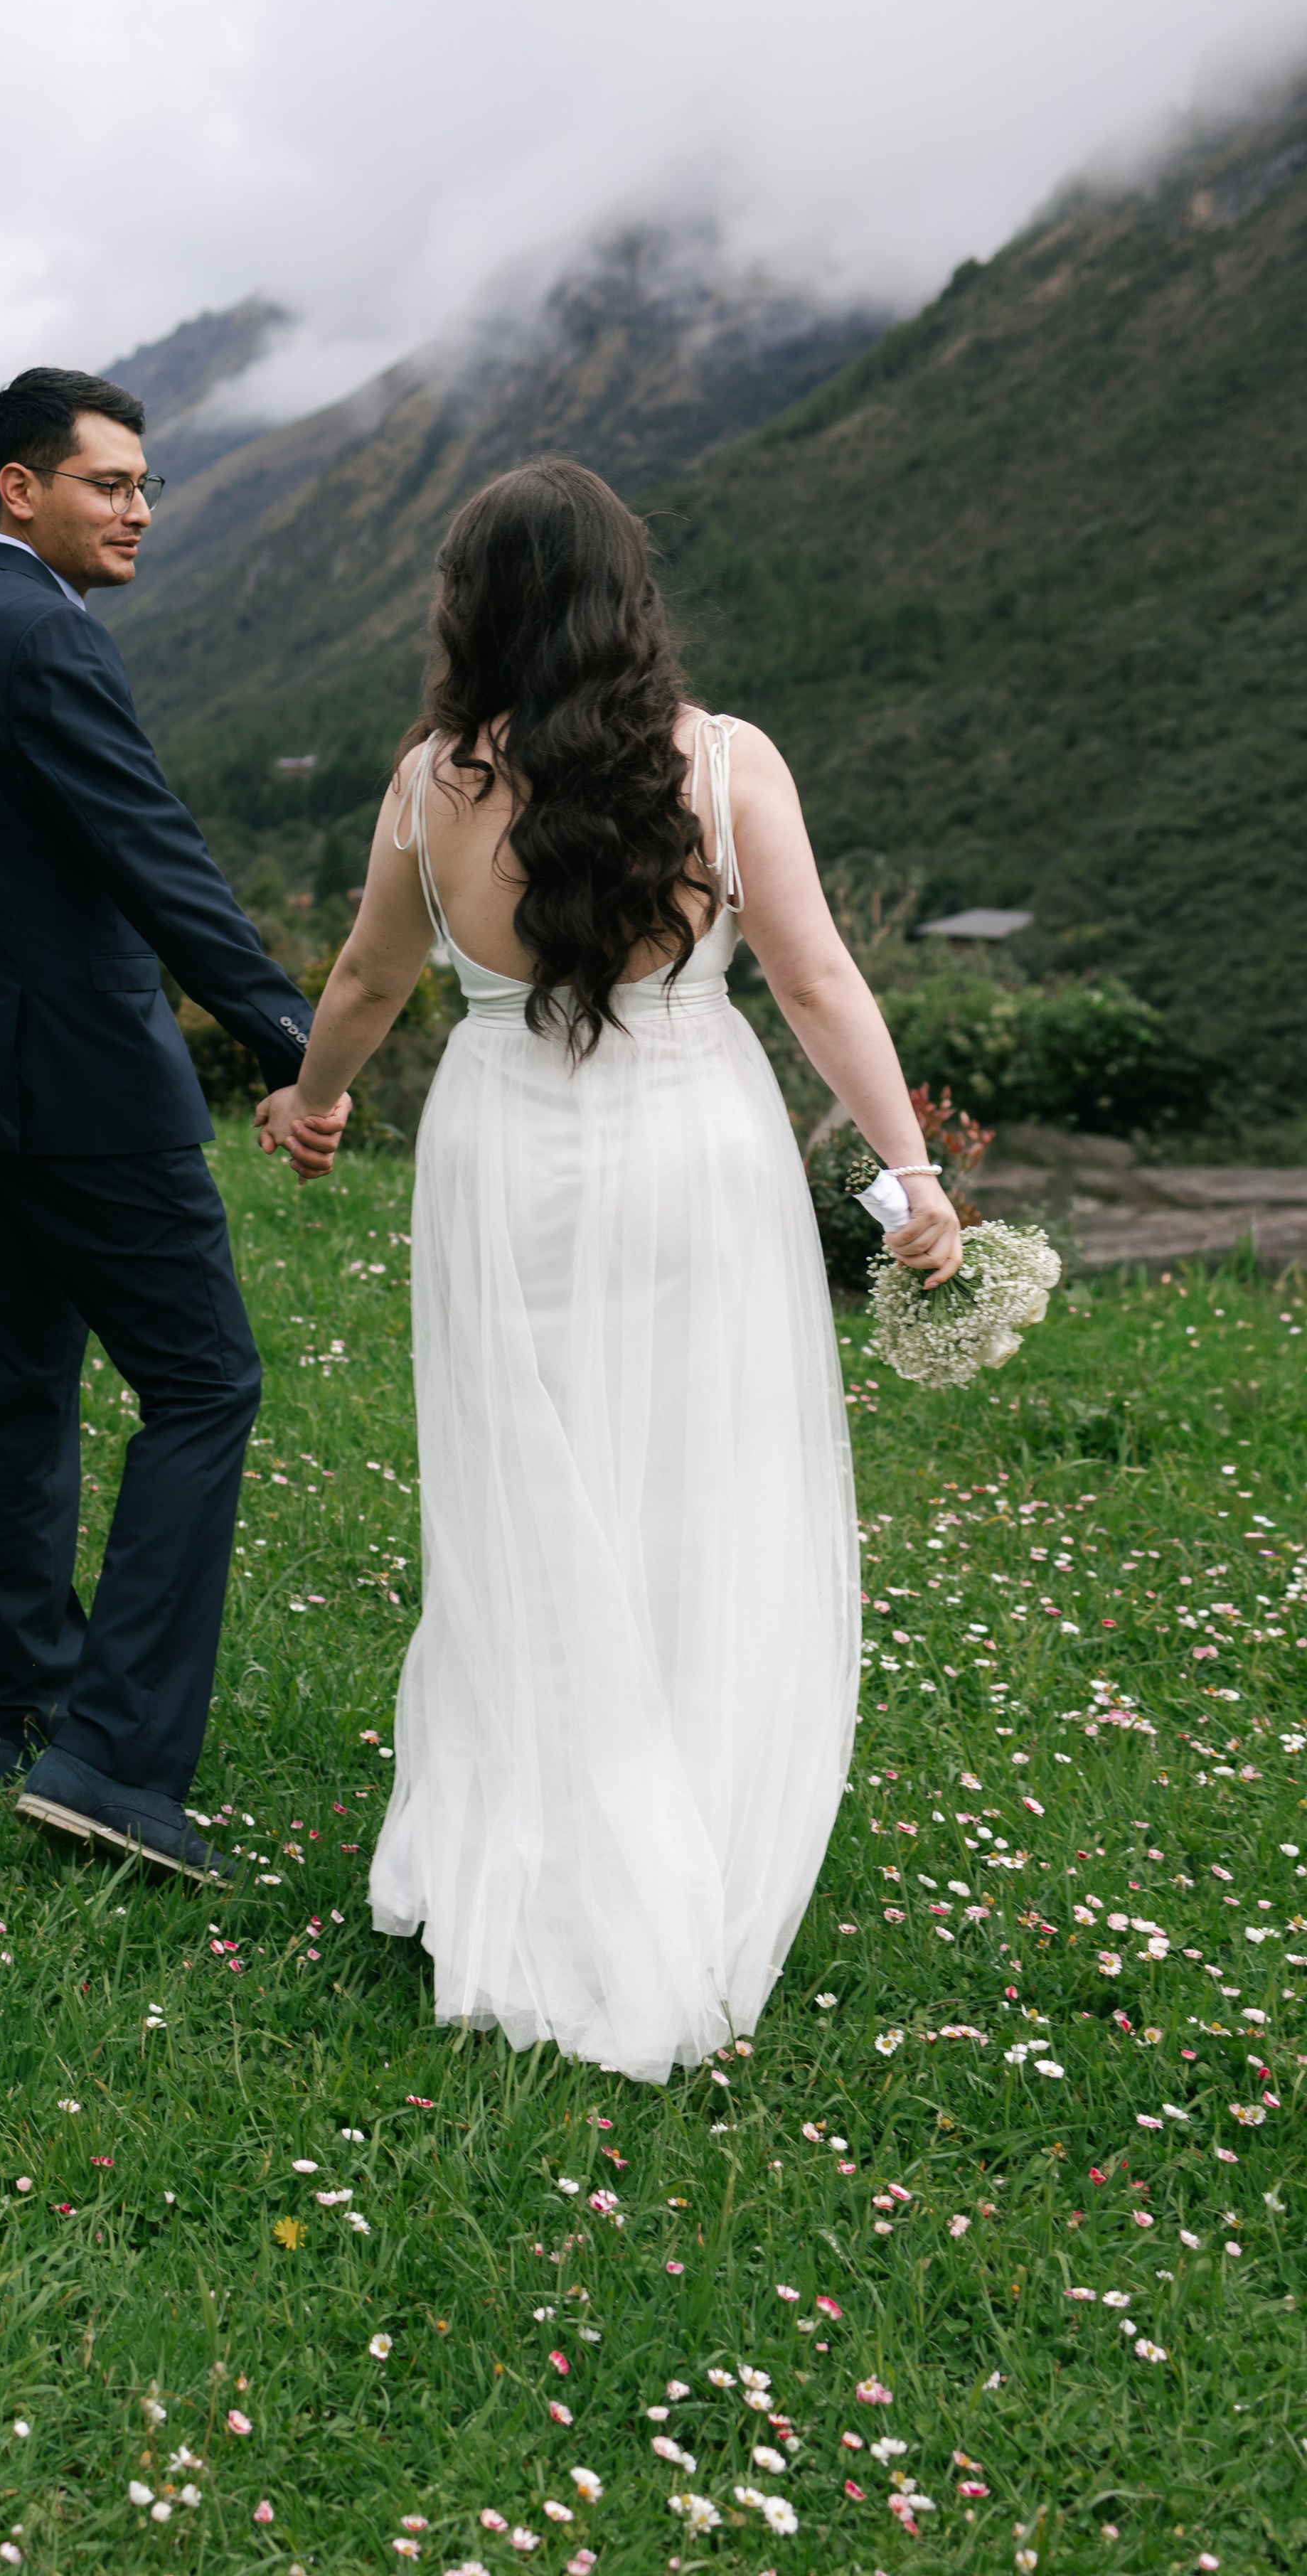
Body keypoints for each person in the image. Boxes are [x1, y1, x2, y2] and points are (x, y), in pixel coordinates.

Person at [262, 457, 962, 2083]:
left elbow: (369, 975)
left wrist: (311, 1104)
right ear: (625, 596)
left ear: (469, 609)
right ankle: (686, 1831)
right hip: (686, 1147)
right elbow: (810, 976)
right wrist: (907, 1172)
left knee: (523, 1490)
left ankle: (544, 1829)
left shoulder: (427, 785)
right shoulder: (719, 765)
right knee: (696, 1487)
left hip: (502, 1154)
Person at [0, 365, 346, 1882]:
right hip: (86, 1086)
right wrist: (299, 1045)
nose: (140, 509)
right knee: (204, 1386)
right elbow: (152, 855)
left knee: (22, 1384)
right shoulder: (44, 642)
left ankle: (27, 1705)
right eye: (109, 483)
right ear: (21, 488)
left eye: (145, 485)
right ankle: (116, 1763)